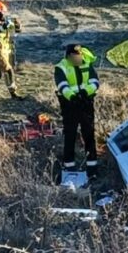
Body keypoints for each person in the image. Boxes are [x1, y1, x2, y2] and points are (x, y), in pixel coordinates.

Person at [55, 44, 101, 178]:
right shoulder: (61, 67)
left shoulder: (87, 64)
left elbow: (95, 81)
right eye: (75, 56)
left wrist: (86, 93)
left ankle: (92, 169)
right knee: (70, 135)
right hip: (70, 105)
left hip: (86, 103)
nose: (78, 58)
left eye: (79, 55)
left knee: (89, 135)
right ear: (69, 56)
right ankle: (69, 167)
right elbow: (62, 85)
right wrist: (73, 97)